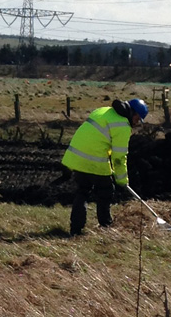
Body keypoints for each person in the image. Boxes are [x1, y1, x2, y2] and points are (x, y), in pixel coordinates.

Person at [61, 98, 146, 236]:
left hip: (77, 158)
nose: (136, 122)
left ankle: (75, 229)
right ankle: (106, 226)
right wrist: (122, 180)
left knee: (82, 191)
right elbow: (118, 158)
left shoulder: (103, 110)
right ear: (133, 113)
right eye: (138, 118)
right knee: (106, 191)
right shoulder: (123, 126)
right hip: (95, 160)